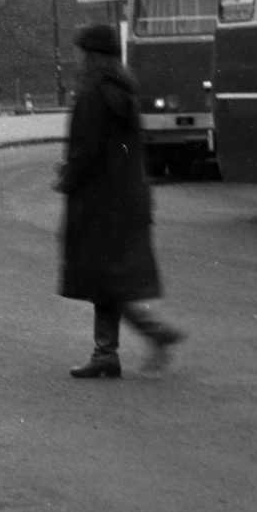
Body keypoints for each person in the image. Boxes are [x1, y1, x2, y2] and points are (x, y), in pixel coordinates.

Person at [55, 23, 185, 379]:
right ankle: (106, 354)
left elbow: (85, 151)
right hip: (126, 200)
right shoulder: (123, 91)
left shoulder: (93, 95)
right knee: (107, 279)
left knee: (103, 280)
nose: (77, 60)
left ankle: (150, 336)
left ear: (93, 58)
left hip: (100, 203)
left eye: (82, 54)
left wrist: (66, 179)